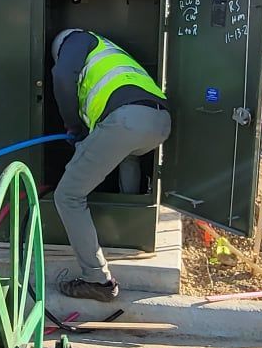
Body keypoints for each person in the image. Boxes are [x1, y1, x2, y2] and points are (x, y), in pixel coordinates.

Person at [49, 27, 171, 303]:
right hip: (159, 121)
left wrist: (73, 126)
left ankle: (96, 279)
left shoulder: (76, 40)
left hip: (126, 120)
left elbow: (62, 77)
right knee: (128, 156)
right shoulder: (111, 52)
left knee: (67, 196)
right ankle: (129, 230)